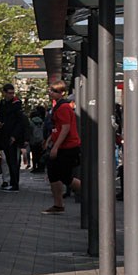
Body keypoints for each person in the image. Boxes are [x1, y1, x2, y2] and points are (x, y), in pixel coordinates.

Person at [42, 81, 82, 214]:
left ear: (62, 93)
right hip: (62, 146)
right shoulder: (58, 106)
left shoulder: (63, 107)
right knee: (53, 174)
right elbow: (57, 128)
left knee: (65, 176)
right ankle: (58, 205)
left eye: (53, 90)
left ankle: (90, 193)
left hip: (67, 147)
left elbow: (65, 129)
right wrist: (49, 139)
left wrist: (55, 147)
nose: (50, 92)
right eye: (50, 90)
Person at [0, 83, 25, 192]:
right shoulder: (3, 103)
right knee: (9, 161)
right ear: (4, 93)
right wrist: (0, 123)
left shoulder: (17, 104)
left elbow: (20, 122)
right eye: (9, 93)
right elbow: (0, 117)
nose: (11, 95)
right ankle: (12, 183)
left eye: (12, 93)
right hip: (4, 136)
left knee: (12, 162)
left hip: (12, 137)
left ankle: (14, 184)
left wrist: (14, 136)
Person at [28, 105, 46, 172]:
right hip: (41, 141)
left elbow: (29, 132)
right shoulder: (42, 122)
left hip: (33, 141)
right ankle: (41, 167)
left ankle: (35, 167)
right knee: (41, 154)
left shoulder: (31, 123)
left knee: (34, 155)